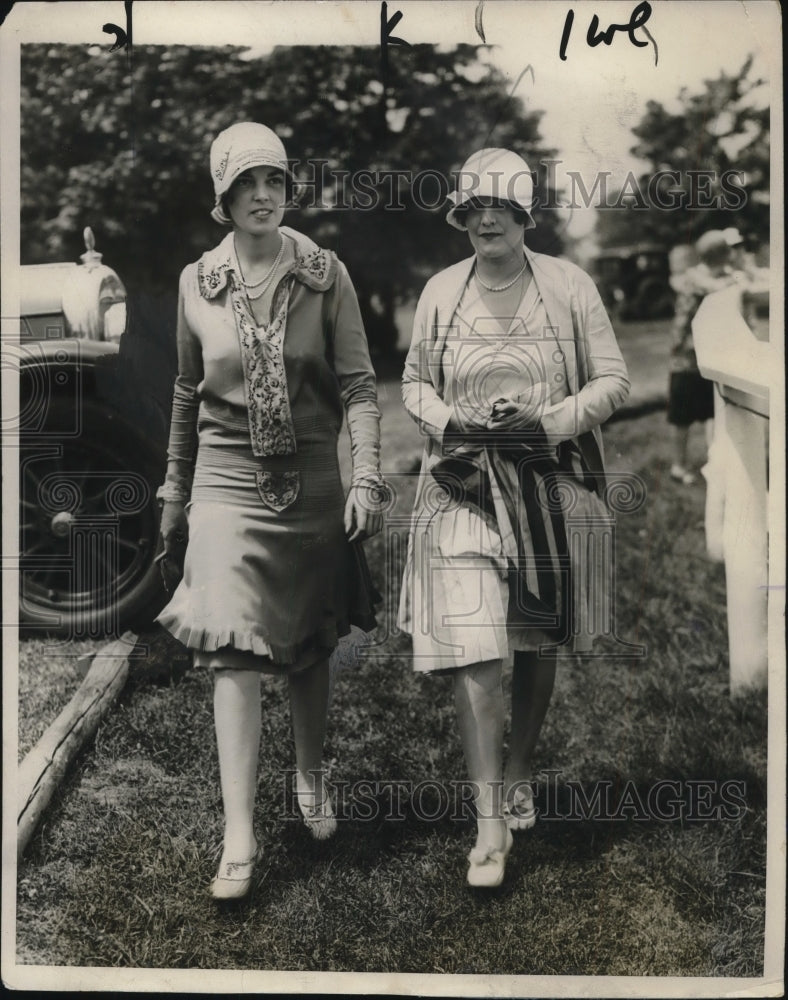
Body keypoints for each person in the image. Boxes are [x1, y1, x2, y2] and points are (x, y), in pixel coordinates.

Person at [155, 122, 384, 900]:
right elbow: (185, 391)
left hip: (312, 479)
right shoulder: (196, 282)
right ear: (221, 199)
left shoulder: (325, 274)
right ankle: (239, 834)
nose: (262, 195)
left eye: (274, 181)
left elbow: (359, 385)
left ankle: (310, 777)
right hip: (225, 483)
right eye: (245, 184)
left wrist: (366, 478)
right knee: (235, 651)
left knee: (309, 643)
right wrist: (174, 489)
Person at [398, 148, 629, 888]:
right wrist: (453, 418)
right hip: (463, 486)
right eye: (474, 208)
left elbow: (614, 380)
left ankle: (521, 766)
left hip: (546, 487)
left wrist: (548, 418)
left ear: (526, 214)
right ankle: (489, 821)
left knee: (533, 637)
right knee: (474, 645)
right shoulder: (441, 290)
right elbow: (413, 382)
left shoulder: (568, 285)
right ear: (461, 216)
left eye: (501, 207)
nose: (486, 219)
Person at [667, 228, 743, 484]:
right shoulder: (696, 279)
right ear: (721, 254)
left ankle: (714, 462)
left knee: (714, 412)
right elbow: (686, 317)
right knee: (682, 417)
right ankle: (679, 465)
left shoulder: (718, 277)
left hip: (708, 357)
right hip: (687, 360)